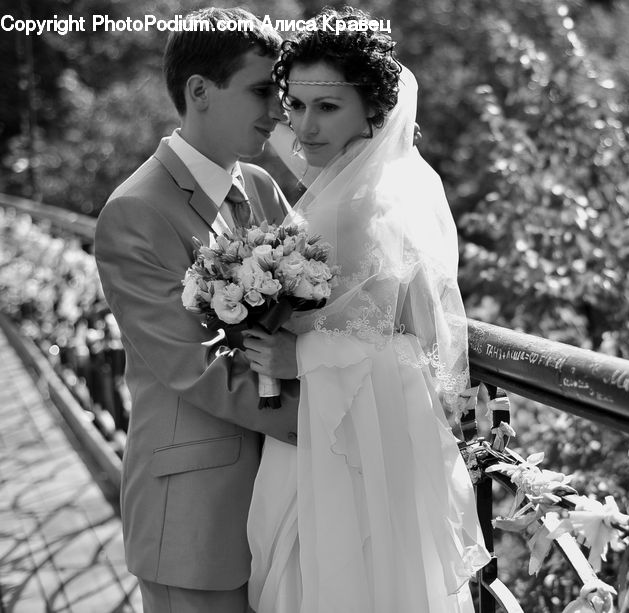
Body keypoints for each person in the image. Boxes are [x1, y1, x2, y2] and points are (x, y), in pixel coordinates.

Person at [243, 7, 490, 612]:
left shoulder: (362, 205)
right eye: (295, 105)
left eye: (327, 107)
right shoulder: (352, 188)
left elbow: (408, 345)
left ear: (371, 109)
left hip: (343, 448)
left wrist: (298, 354)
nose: (304, 126)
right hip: (334, 432)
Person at [94, 8, 303, 612]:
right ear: (200, 91)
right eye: (262, 90)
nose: (278, 112)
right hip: (195, 515)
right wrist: (331, 418)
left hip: (281, 501)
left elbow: (315, 307)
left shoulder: (260, 185)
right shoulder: (135, 212)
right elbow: (199, 366)